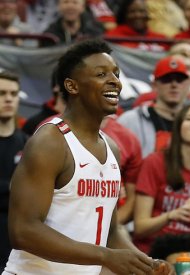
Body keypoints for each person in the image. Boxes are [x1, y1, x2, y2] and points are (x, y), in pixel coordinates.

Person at [3, 39, 172, 275]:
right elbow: (23, 230)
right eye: (101, 74)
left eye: (116, 73)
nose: (115, 81)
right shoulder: (51, 141)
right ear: (72, 86)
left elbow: (111, 231)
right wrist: (105, 256)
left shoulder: (111, 147)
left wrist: (144, 263)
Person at [133, 104, 190, 254]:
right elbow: (140, 228)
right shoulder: (155, 162)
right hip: (156, 249)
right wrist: (172, 215)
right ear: (178, 127)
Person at [118, 55, 190, 157]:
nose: (174, 85)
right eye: (167, 79)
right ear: (154, 85)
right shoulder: (130, 120)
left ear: (188, 85)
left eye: (179, 80)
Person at [0, 70, 28, 269]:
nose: (8, 99)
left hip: (17, 236)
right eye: (1, 94)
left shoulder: (29, 143)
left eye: (13, 94)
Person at [104, 0, 169, 52]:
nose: (138, 15)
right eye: (132, 12)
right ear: (124, 15)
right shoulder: (112, 37)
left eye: (142, 11)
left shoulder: (161, 39)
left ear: (147, 14)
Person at [41, 0, 105, 47]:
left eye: (75, 2)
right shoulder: (49, 35)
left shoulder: (95, 33)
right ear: (58, 6)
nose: (70, 6)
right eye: (66, 2)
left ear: (82, 7)